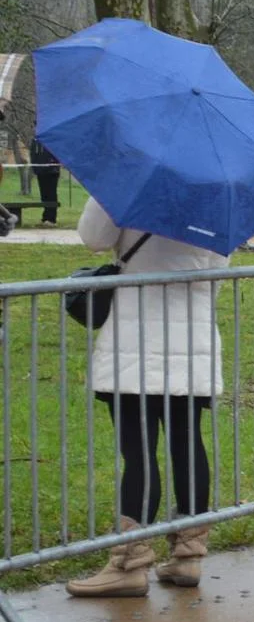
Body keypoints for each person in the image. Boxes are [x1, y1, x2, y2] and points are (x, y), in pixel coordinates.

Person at [66, 197, 227, 598]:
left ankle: (130, 563)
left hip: (135, 337)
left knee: (138, 453)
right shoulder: (216, 196)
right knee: (187, 443)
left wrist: (105, 193)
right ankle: (188, 556)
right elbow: (218, 267)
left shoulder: (131, 185)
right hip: (192, 334)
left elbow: (93, 237)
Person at [30, 138, 61, 225]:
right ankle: (45, 217)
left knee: (51, 194)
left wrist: (53, 164)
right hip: (40, 171)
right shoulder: (35, 140)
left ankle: (51, 219)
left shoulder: (52, 138)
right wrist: (35, 168)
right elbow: (33, 154)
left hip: (52, 171)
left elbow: (57, 153)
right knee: (44, 196)